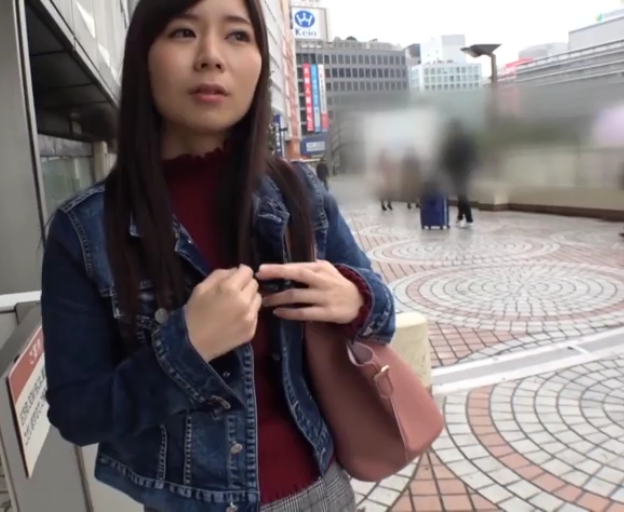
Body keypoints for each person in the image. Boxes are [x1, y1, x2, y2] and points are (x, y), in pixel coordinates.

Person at [40, 0, 397, 511]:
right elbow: (77, 413)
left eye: (236, 35)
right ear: (144, 55)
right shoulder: (85, 229)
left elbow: (383, 316)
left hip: (322, 493)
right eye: (183, 32)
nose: (211, 56)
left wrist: (356, 298)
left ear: (259, 64)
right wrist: (185, 349)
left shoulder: (299, 192)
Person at [439, 120, 478, 228]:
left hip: (460, 172)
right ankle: (460, 217)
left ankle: (469, 219)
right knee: (461, 195)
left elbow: (446, 157)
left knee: (462, 196)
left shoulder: (456, 142)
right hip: (462, 172)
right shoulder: (464, 141)